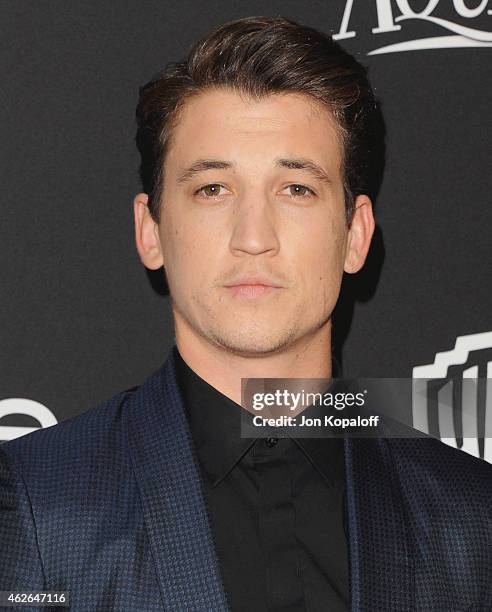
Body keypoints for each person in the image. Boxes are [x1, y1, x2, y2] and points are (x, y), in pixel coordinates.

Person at [1, 15, 491, 612]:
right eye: (213, 189)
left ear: (356, 236)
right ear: (149, 230)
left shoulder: (471, 520)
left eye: (296, 190)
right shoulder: (33, 500)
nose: (253, 237)